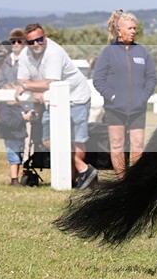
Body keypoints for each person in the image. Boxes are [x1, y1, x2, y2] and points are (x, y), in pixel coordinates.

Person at [15, 23, 98, 189]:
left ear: (45, 37)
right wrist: (35, 89)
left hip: (77, 98)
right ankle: (84, 169)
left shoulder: (54, 52)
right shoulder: (25, 55)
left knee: (77, 141)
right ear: (27, 43)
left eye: (39, 39)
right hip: (52, 99)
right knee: (48, 140)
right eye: (31, 42)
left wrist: (29, 87)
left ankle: (74, 181)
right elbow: (22, 80)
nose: (36, 44)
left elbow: (50, 82)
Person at [92, 11, 157, 177]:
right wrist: (113, 97)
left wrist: (142, 98)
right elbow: (98, 79)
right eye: (129, 28)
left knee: (138, 144)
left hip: (138, 108)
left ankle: (135, 180)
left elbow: (151, 77)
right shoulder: (108, 52)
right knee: (117, 144)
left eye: (135, 28)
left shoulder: (142, 52)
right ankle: (122, 182)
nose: (133, 31)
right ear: (118, 30)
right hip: (114, 109)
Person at [0, 28, 33, 185]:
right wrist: (9, 93)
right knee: (13, 142)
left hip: (26, 105)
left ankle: (26, 171)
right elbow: (0, 83)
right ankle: (15, 176)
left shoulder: (29, 59)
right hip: (11, 106)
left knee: (27, 142)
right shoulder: (7, 62)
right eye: (13, 41)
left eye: (19, 41)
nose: (16, 44)